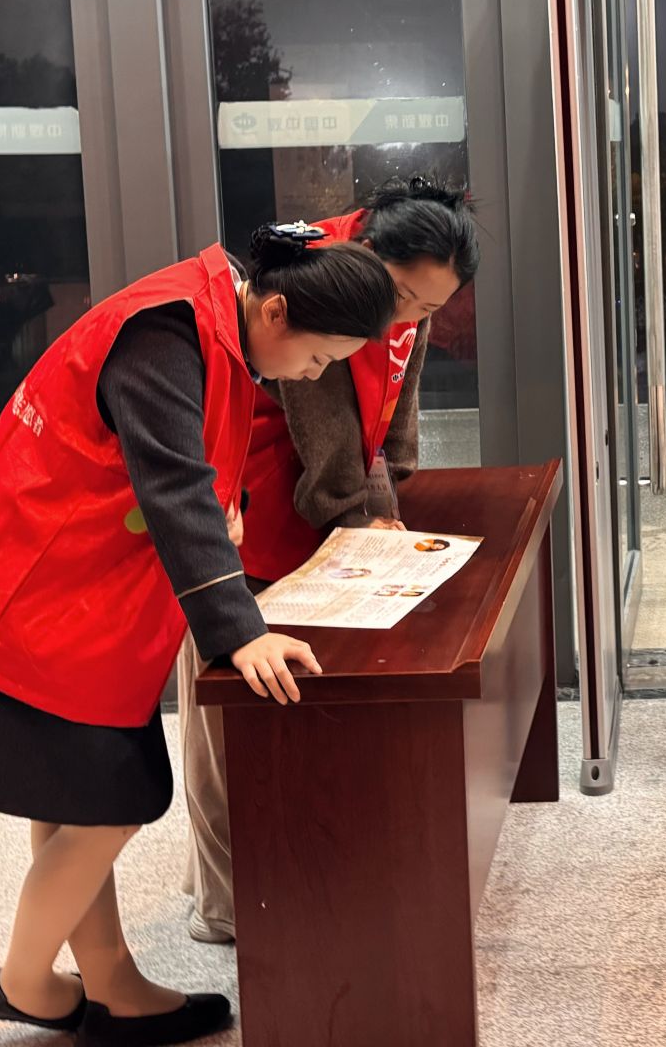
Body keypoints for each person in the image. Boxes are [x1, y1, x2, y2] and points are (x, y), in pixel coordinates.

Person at [0, 223, 397, 1046]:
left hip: (75, 586)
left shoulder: (212, 316)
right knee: (110, 802)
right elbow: (173, 487)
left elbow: (190, 472)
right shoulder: (165, 333)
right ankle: (27, 981)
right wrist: (239, 632)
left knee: (70, 792)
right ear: (277, 312)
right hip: (34, 585)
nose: (311, 375)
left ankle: (109, 982)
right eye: (318, 358)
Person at [178, 180, 480, 944]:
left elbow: (396, 392)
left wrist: (388, 489)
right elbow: (322, 420)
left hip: (325, 497)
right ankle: (225, 903)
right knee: (227, 712)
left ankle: (288, 877)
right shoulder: (326, 279)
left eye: (431, 306)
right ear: (372, 254)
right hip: (254, 496)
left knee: (288, 713)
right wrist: (361, 513)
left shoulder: (403, 293)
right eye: (406, 297)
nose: (412, 316)